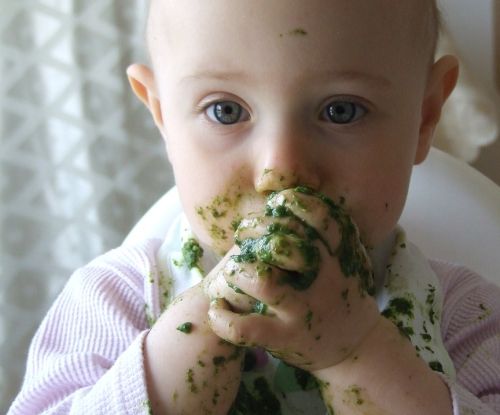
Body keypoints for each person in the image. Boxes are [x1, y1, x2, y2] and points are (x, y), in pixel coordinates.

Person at [8, 0, 500, 414]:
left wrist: (357, 353)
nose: (280, 170)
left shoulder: (466, 320)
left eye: (341, 110)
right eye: (226, 110)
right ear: (162, 117)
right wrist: (180, 357)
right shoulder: (112, 303)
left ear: (425, 115)